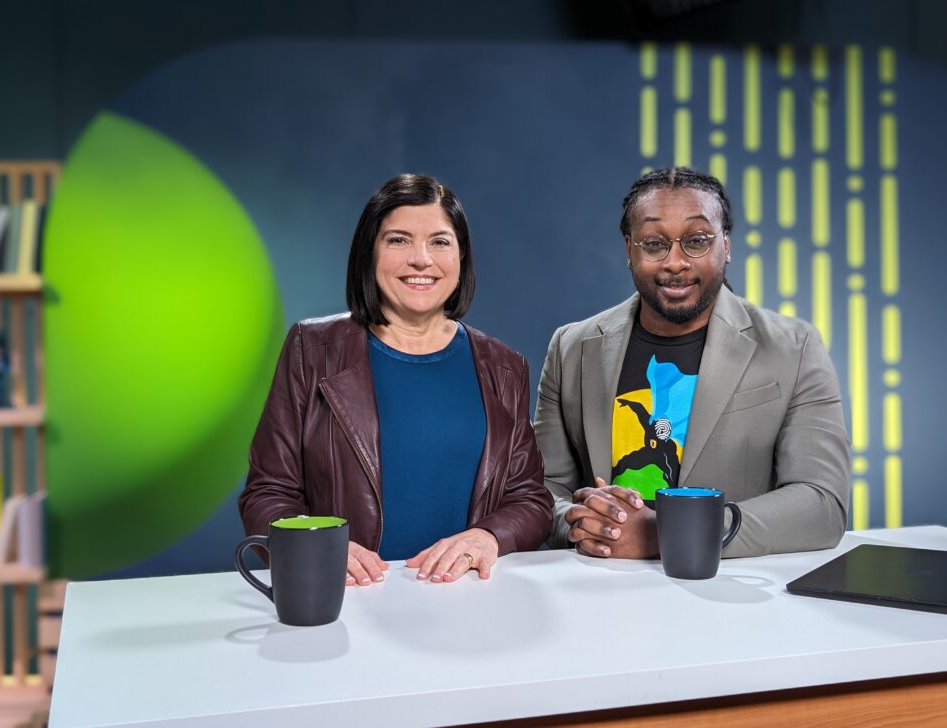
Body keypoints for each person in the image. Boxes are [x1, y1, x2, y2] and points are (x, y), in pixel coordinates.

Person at [240, 174, 552, 585]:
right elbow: (267, 492)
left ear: (461, 258)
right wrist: (314, 544)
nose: (421, 259)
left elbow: (531, 500)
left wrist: (488, 536)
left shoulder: (505, 367)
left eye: (440, 242)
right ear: (369, 253)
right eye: (398, 240)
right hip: (351, 597)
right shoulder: (311, 350)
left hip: (466, 600)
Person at [534, 167, 849, 559]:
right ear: (629, 249)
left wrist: (666, 534)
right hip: (602, 590)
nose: (676, 262)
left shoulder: (794, 347)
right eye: (653, 244)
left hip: (729, 595)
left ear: (727, 245)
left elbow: (822, 504)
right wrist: (586, 524)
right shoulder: (572, 347)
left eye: (697, 241)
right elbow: (542, 490)